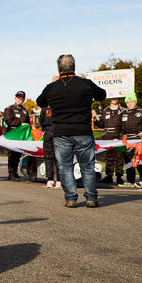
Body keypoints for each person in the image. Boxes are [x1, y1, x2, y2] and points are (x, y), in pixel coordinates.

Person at [36, 54, 106, 208]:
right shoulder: (85, 84)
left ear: (58, 68)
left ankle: (70, 198)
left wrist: (53, 88)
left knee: (65, 166)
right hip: (83, 131)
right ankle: (91, 198)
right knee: (87, 166)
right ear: (74, 67)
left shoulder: (52, 87)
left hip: (61, 132)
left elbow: (39, 102)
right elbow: (103, 95)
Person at [119, 93, 142, 188]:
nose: (129, 104)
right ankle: (130, 180)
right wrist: (120, 137)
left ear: (135, 102)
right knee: (128, 161)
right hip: (127, 141)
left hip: (139, 140)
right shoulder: (122, 113)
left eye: (131, 102)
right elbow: (118, 127)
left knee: (139, 160)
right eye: (127, 102)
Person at [3, 91, 30, 181]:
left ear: (23, 100)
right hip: (12, 133)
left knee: (18, 154)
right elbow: (8, 120)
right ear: (15, 98)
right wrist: (20, 123)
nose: (19, 100)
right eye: (17, 98)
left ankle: (15, 172)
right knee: (11, 154)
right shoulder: (9, 109)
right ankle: (11, 173)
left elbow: (28, 123)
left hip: (21, 135)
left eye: (21, 98)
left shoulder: (25, 111)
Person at [97, 97, 125, 185]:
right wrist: (95, 119)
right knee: (108, 157)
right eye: (113, 97)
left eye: (116, 97)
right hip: (107, 136)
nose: (114, 99)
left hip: (119, 136)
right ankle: (109, 176)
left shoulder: (123, 110)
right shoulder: (105, 110)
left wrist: (119, 136)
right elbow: (101, 124)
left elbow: (124, 125)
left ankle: (119, 177)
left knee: (119, 157)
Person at [39, 105, 60, 188]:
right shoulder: (59, 106)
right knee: (59, 157)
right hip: (58, 132)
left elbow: (41, 120)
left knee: (48, 157)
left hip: (48, 131)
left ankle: (50, 180)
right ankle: (59, 180)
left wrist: (45, 129)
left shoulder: (44, 109)